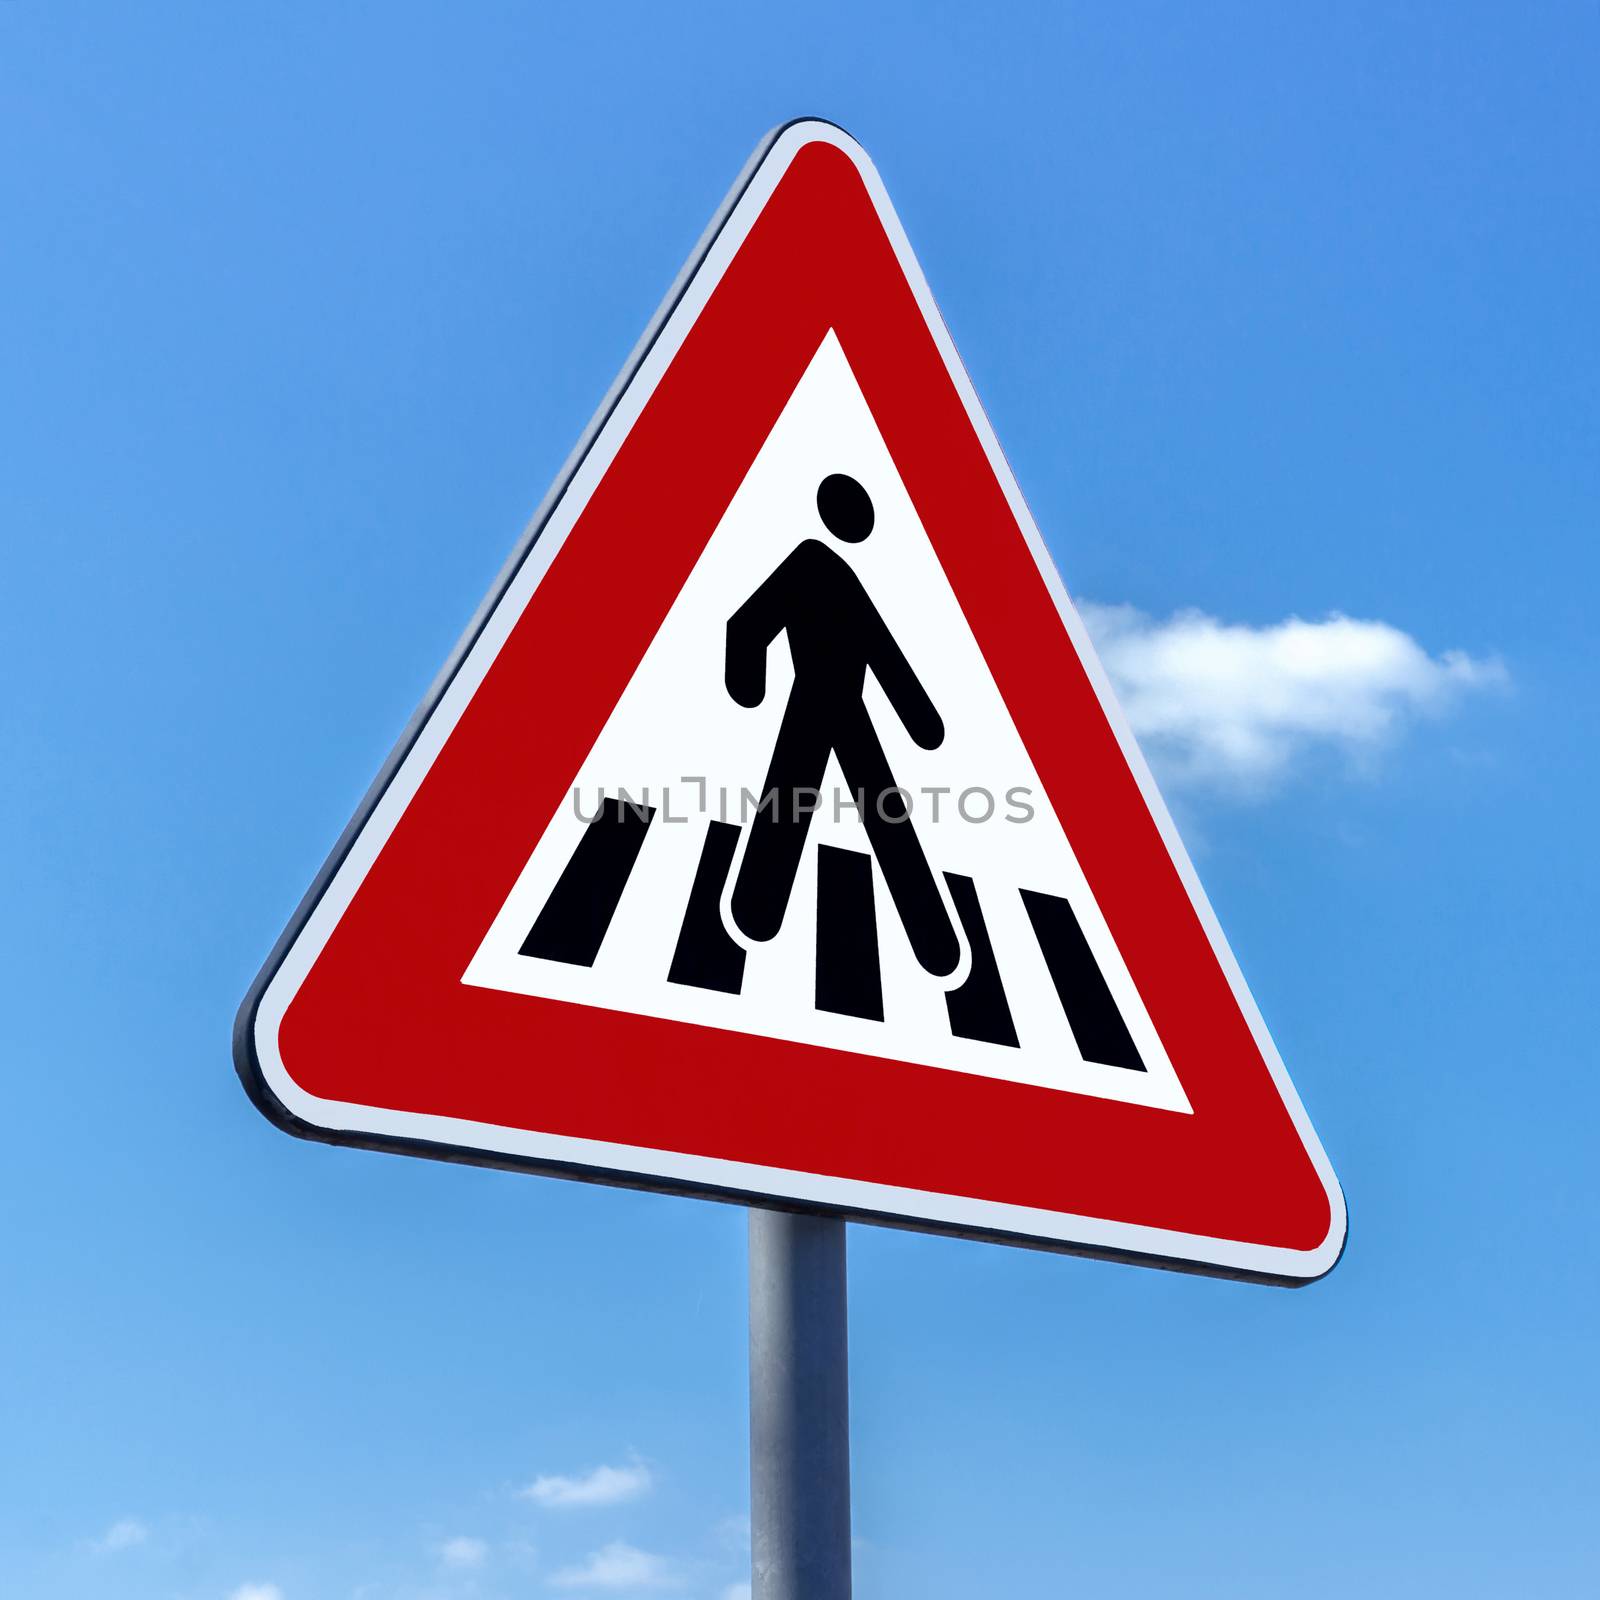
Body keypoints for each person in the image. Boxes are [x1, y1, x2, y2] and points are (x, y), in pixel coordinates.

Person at [724, 473, 960, 979]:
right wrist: (747, 684)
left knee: (877, 818)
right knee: (793, 807)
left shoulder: (844, 580)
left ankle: (935, 944)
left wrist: (924, 723)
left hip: (846, 712)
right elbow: (747, 624)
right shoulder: (809, 561)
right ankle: (753, 916)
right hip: (813, 702)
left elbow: (884, 654)